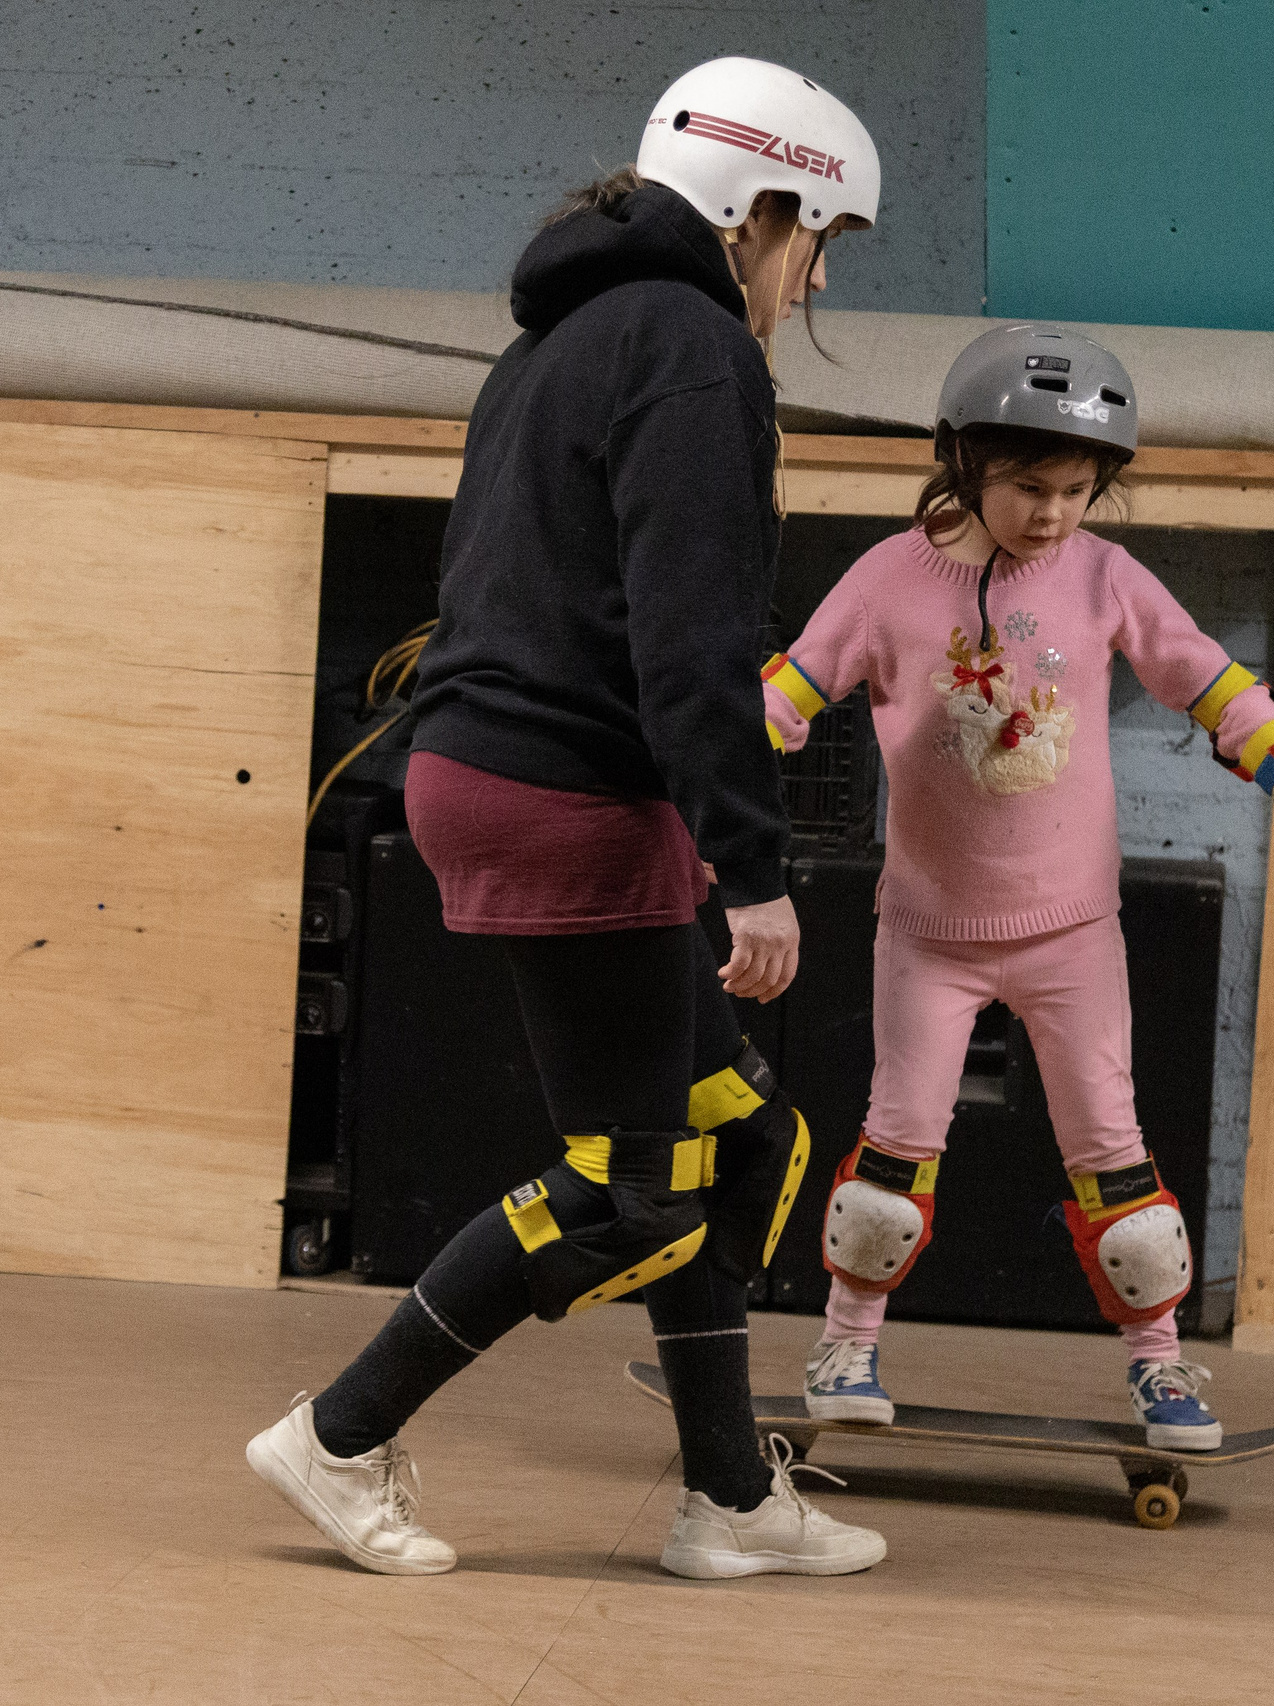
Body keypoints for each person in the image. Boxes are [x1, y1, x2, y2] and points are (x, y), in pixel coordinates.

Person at [248, 57, 888, 1580]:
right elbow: (689, 636)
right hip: (566, 796)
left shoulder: (561, 341)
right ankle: (338, 1435)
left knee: (743, 1143)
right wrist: (757, 872)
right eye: (820, 242)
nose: (811, 279)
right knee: (625, 1191)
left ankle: (727, 1500)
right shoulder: (692, 352)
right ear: (762, 204)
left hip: (519, 772)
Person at [761, 326, 1274, 1449]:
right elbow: (789, 690)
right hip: (929, 931)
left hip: (1071, 933)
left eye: (1078, 490)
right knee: (892, 1162)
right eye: (1028, 487)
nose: (1051, 514)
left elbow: (1208, 678)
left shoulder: (1100, 575)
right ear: (959, 460)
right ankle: (848, 1340)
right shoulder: (888, 579)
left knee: (1115, 1160)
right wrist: (706, 771)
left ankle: (1158, 1363)